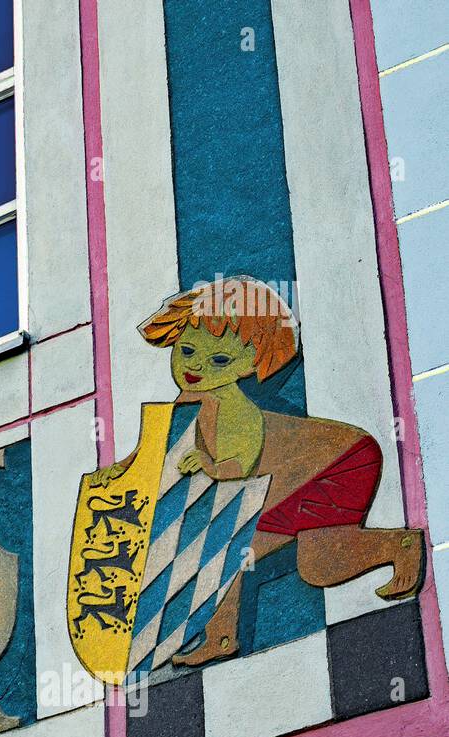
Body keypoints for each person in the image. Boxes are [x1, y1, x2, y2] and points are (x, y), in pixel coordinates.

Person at [88, 276, 424, 667]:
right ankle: (223, 635)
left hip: (339, 465)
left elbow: (238, 465)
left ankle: (400, 546)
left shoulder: (235, 409)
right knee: (232, 554)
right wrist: (122, 473)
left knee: (315, 564)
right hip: (286, 481)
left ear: (251, 363)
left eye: (219, 360)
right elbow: (159, 450)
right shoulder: (193, 400)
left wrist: (210, 467)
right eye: (188, 349)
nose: (196, 366)